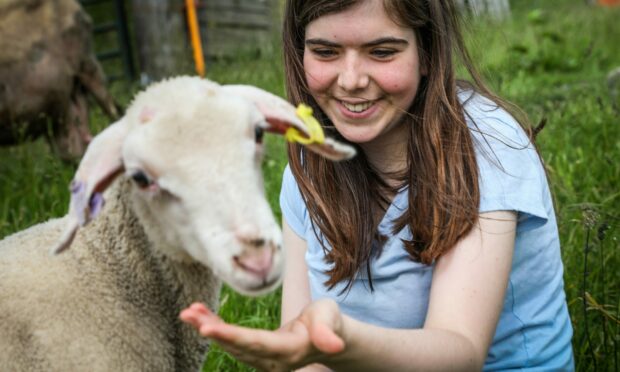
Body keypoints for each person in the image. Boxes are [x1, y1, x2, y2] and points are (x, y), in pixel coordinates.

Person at [180, 0, 575, 370]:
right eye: (325, 52)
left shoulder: (485, 146)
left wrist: (339, 341)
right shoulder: (308, 159)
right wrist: (302, 351)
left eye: (382, 52)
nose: (351, 80)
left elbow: (462, 351)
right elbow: (305, 349)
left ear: (427, 54)